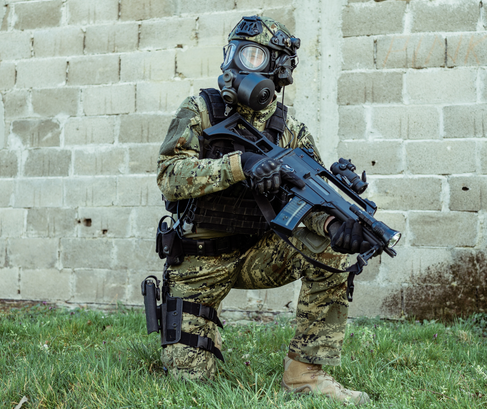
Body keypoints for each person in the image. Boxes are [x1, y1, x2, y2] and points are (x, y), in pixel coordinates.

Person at [156, 15, 372, 405]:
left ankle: (304, 375)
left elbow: (310, 203)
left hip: (259, 254)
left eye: (254, 55)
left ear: (278, 69)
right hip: (198, 263)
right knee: (191, 382)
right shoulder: (200, 111)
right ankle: (197, 333)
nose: (240, 64)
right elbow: (171, 176)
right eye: (237, 53)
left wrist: (334, 226)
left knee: (332, 251)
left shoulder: (291, 133)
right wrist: (241, 166)